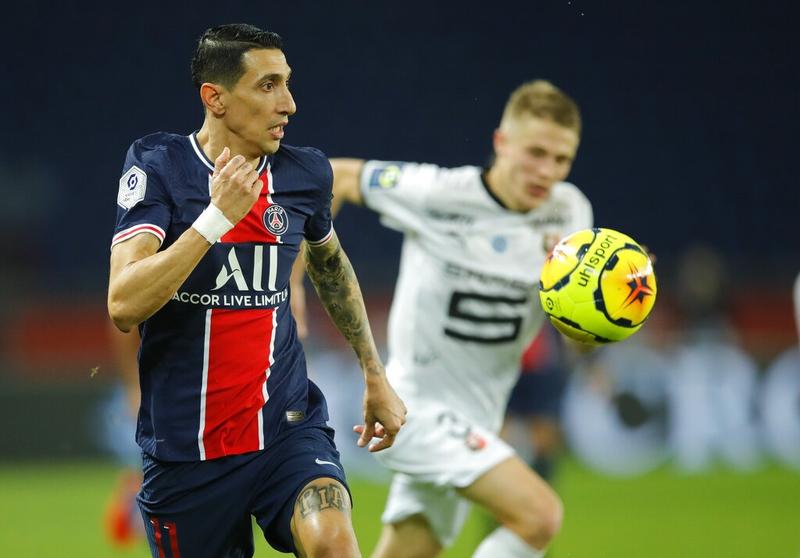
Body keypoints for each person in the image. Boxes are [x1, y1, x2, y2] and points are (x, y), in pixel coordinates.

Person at [107, 24, 406, 558]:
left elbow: (332, 269)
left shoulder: (304, 174)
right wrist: (215, 219)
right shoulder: (160, 166)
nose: (288, 104)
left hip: (286, 428)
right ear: (215, 98)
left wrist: (374, 373)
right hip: (186, 451)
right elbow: (124, 304)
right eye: (268, 85)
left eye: (287, 84)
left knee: (334, 544)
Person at [323, 80, 593, 557]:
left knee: (412, 549)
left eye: (561, 159)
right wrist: (298, 270)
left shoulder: (569, 210)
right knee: (539, 516)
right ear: (501, 143)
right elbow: (334, 176)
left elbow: (576, 339)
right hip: (411, 411)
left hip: (476, 419)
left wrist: (601, 310)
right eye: (535, 153)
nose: (546, 171)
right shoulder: (438, 193)